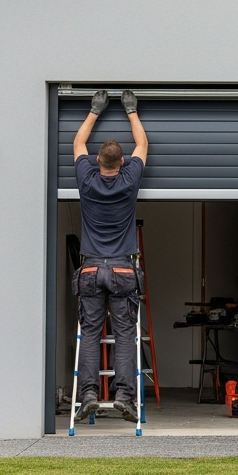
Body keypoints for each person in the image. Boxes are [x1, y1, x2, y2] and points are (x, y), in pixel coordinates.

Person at [73, 89, 149, 422]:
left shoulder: (86, 179)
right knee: (123, 335)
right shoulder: (129, 180)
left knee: (90, 334)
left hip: (90, 269)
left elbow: (77, 144)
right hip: (122, 270)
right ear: (122, 162)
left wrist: (95, 110)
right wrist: (131, 110)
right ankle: (125, 398)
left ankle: (88, 394)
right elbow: (143, 146)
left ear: (96, 161)